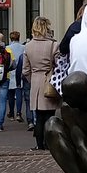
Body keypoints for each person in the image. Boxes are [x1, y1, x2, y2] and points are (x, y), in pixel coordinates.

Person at [22, 16, 59, 150]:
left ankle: (39, 144)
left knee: (38, 117)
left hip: (36, 82)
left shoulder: (28, 46)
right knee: (50, 116)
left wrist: (33, 80)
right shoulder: (53, 45)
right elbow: (58, 64)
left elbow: (25, 70)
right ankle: (50, 143)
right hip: (49, 80)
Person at [6, 31, 26, 123]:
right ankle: (18, 113)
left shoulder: (7, 48)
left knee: (10, 93)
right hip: (20, 72)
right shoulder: (23, 47)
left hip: (10, 72)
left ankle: (11, 113)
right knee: (19, 93)